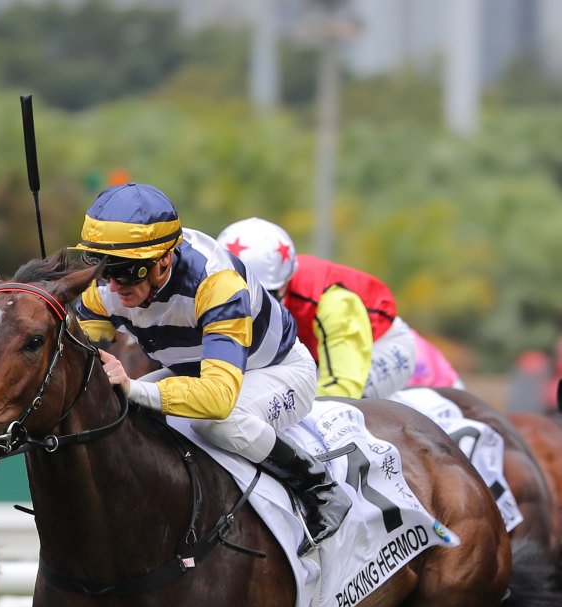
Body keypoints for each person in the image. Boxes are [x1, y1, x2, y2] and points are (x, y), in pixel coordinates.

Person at [73, 184, 342, 550]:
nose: (113, 285)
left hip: (276, 371)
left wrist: (133, 387)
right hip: (196, 371)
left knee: (215, 423)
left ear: (164, 260)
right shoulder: (105, 288)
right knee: (123, 411)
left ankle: (318, 486)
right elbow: (78, 352)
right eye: (103, 269)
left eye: (125, 272)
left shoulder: (216, 282)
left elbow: (217, 398)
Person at [216, 216, 415, 400]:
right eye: (241, 295)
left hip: (380, 346)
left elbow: (342, 387)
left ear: (285, 283)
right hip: (320, 353)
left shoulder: (332, 303)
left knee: (331, 404)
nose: (254, 306)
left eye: (266, 295)